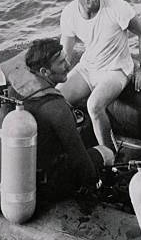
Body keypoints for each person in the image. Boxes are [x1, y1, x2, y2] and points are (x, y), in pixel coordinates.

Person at [57, 0, 141, 150]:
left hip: (116, 70)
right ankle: (71, 150)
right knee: (57, 98)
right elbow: (65, 54)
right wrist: (50, 80)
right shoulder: (69, 13)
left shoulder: (117, 7)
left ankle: (109, 157)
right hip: (88, 67)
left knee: (94, 106)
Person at [8, 38, 106, 200]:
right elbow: (80, 161)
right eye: (61, 62)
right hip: (50, 184)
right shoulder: (57, 108)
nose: (68, 65)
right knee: (105, 153)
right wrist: (95, 182)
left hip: (24, 175)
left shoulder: (15, 90)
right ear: (45, 72)